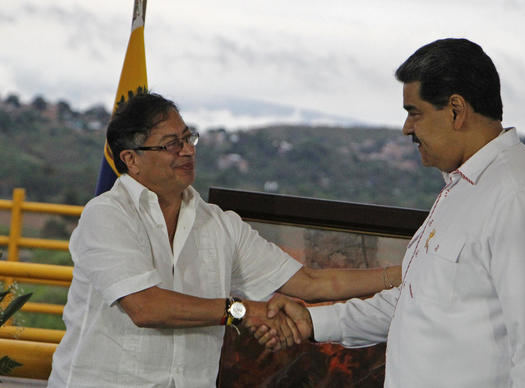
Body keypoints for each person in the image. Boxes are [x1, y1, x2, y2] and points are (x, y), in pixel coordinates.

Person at [255, 38, 525, 387]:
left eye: (415, 112)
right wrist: (314, 322)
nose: (407, 128)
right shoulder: (466, 186)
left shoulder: (518, 195)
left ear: (456, 110)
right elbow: (415, 301)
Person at [47, 92, 401, 387]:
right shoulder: (107, 214)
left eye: (188, 138)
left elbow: (310, 282)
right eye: (171, 144)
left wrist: (404, 272)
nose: (187, 151)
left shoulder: (218, 224)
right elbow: (145, 307)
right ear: (131, 160)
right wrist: (241, 311)